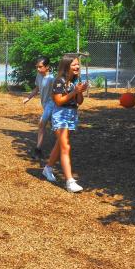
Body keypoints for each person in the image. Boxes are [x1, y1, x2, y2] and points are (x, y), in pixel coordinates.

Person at [42, 54, 87, 192]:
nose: (77, 67)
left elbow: (79, 102)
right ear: (67, 66)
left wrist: (79, 92)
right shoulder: (59, 81)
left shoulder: (75, 80)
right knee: (65, 147)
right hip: (60, 115)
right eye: (74, 64)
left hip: (72, 114)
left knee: (60, 144)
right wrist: (74, 92)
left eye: (78, 64)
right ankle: (69, 181)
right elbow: (59, 101)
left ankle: (47, 168)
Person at [23, 56, 55, 160]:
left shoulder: (52, 79)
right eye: (37, 66)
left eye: (40, 67)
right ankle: (61, 147)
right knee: (56, 128)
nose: (38, 69)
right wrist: (28, 98)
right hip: (45, 105)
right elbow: (37, 89)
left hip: (52, 105)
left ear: (47, 67)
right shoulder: (39, 76)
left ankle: (38, 150)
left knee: (41, 124)